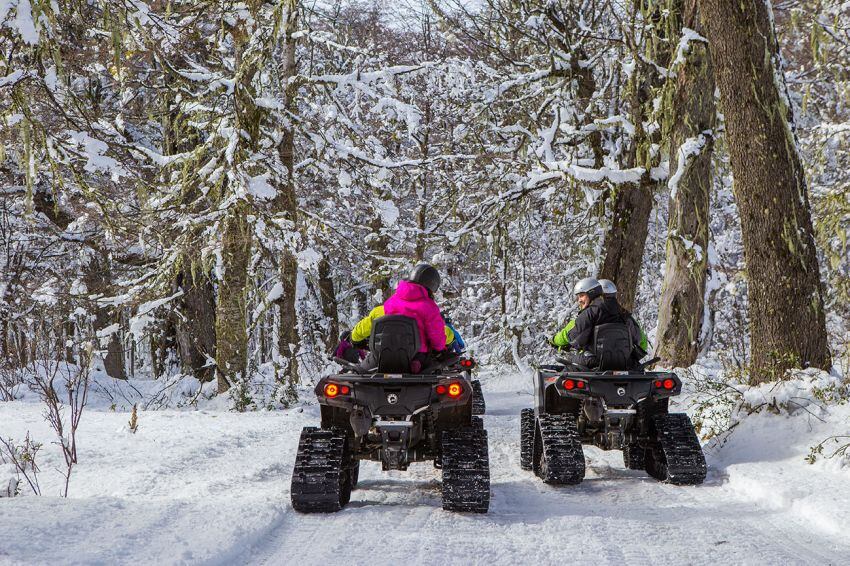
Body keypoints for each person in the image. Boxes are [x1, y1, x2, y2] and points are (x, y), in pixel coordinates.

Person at [337, 263, 451, 372]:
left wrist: (353, 338)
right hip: (416, 362)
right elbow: (438, 341)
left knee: (358, 374)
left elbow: (363, 327)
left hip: (381, 359)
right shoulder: (430, 308)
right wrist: (440, 349)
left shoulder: (389, 304)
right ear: (432, 286)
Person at [551, 277, 643, 369]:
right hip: (624, 361)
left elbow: (574, 338)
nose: (579, 300)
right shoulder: (623, 313)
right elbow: (638, 339)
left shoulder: (590, 312)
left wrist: (556, 341)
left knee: (570, 362)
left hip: (595, 361)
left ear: (591, 294)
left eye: (582, 295)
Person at [598, 279, 649, 358]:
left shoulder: (587, 317)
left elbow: (574, 338)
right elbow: (643, 343)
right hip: (623, 362)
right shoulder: (626, 317)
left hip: (592, 363)